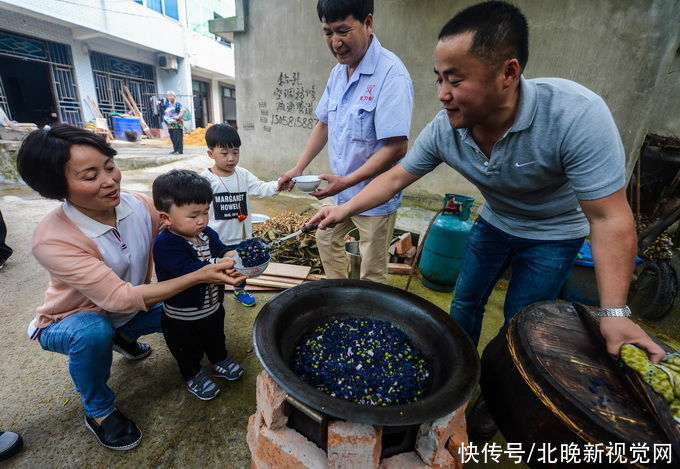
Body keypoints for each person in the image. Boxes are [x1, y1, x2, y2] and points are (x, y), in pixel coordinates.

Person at [309, 0, 665, 439]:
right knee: (463, 306)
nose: (442, 94)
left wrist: (614, 311)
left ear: (508, 73)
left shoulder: (576, 116)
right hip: (495, 222)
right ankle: (455, 384)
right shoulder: (447, 127)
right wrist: (342, 208)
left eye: (456, 80)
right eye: (439, 78)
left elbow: (610, 218)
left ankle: (499, 402)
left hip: (553, 235)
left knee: (522, 327)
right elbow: (398, 175)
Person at [16, 124, 245, 450]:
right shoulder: (52, 238)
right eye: (90, 175)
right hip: (71, 318)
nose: (109, 180)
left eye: (109, 166)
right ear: (58, 186)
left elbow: (181, 223)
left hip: (127, 308)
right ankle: (99, 410)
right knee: (92, 332)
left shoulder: (138, 206)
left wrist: (231, 255)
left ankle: (123, 336)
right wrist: (201, 274)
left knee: (189, 311)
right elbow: (118, 297)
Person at [277, 0, 414, 283]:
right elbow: (324, 124)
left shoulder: (391, 74)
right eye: (328, 32)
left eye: (343, 31)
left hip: (375, 196)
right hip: (341, 193)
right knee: (326, 239)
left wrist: (348, 180)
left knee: (372, 271)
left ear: (368, 23)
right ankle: (341, 297)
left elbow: (397, 147)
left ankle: (367, 317)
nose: (335, 42)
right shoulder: (338, 73)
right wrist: (298, 168)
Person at [152, 169, 245, 400]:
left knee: (216, 336)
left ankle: (219, 359)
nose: (202, 220)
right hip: (182, 317)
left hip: (213, 308)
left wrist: (232, 254)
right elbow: (188, 270)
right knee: (186, 350)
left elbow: (221, 249)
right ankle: (192, 373)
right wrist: (219, 262)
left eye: (205, 212)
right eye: (193, 216)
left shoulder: (206, 233)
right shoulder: (166, 244)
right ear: (166, 218)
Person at [201, 124, 279, 307]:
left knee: (241, 268)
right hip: (217, 239)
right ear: (210, 154)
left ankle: (239, 290)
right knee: (217, 269)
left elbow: (261, 188)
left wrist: (279, 185)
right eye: (224, 153)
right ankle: (213, 296)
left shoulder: (242, 175)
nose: (231, 158)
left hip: (241, 236)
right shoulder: (205, 181)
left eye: (235, 152)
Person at [164, 91, 184, 155]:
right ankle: (175, 150)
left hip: (177, 123)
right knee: (172, 137)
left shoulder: (177, 104)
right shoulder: (167, 105)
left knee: (177, 137)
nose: (169, 97)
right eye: (168, 96)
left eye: (171, 96)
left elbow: (182, 111)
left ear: (174, 97)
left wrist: (178, 116)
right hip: (170, 123)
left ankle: (179, 150)